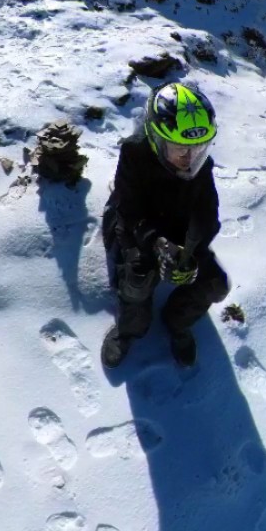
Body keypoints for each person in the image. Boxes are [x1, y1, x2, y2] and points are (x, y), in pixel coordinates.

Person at [100, 80, 229, 368]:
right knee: (137, 282)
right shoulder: (134, 154)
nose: (189, 157)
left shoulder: (199, 165)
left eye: (198, 147)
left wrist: (190, 254)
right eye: (180, 148)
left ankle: (178, 323)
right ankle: (129, 331)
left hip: (178, 234)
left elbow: (209, 214)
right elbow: (128, 211)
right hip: (139, 232)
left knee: (215, 285)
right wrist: (158, 245)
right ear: (157, 139)